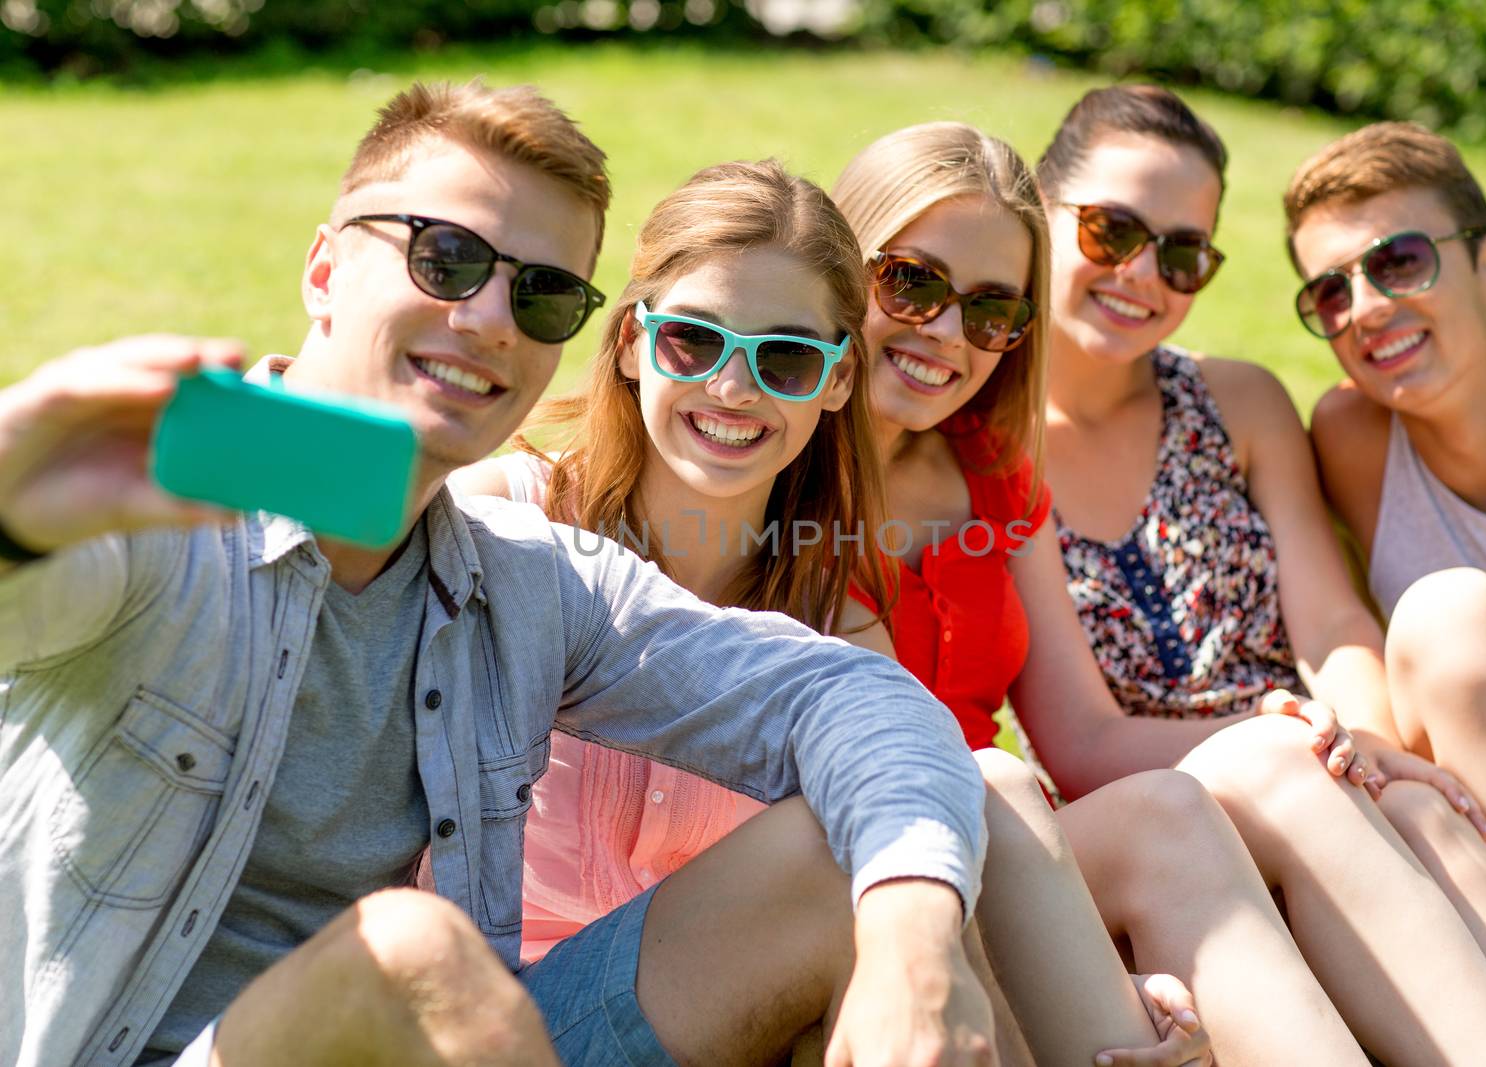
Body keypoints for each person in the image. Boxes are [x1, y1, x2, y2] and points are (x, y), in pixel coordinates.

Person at [0, 80, 1005, 1067]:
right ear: (322, 270)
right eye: (446, 258)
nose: (488, 320)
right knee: (408, 952)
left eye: (542, 293)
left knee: (857, 857)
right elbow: (33, 589)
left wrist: (915, 946)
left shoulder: (529, 582)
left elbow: (852, 696)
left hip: (465, 1036)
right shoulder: (154, 514)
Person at [452, 157, 1212, 1067]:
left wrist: (1066, 978)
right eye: (695, 341)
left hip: (733, 1012)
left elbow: (908, 789)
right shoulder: (509, 515)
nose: (734, 388)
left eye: (783, 358)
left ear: (840, 378)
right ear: (629, 343)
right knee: (859, 859)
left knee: (968, 792)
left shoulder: (829, 607)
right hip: (498, 1014)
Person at [1026, 84, 1486, 1062]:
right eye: (1110, 228)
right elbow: (1079, 737)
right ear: (1036, 217)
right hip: (1182, 787)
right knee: (1306, 778)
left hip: (1318, 756)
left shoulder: (1236, 401)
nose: (1140, 273)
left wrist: (1365, 744)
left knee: (1420, 808)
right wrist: (1299, 742)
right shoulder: (996, 452)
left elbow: (1330, 622)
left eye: (1180, 253)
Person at [1292, 119, 1486, 1021]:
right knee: (1448, 615)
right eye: (1331, 291)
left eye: (1399, 262)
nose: (1366, 307)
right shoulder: (1351, 438)